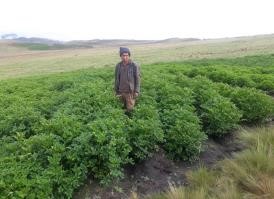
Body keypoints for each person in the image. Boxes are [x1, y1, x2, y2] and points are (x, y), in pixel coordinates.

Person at [114, 47, 141, 113]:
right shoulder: (118, 66)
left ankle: (129, 121)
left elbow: (137, 78)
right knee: (121, 108)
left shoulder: (134, 65)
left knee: (130, 109)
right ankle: (122, 121)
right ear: (120, 56)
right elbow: (116, 78)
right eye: (123, 55)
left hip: (130, 92)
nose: (125, 57)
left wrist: (137, 91)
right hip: (121, 91)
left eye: (126, 55)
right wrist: (116, 91)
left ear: (129, 55)